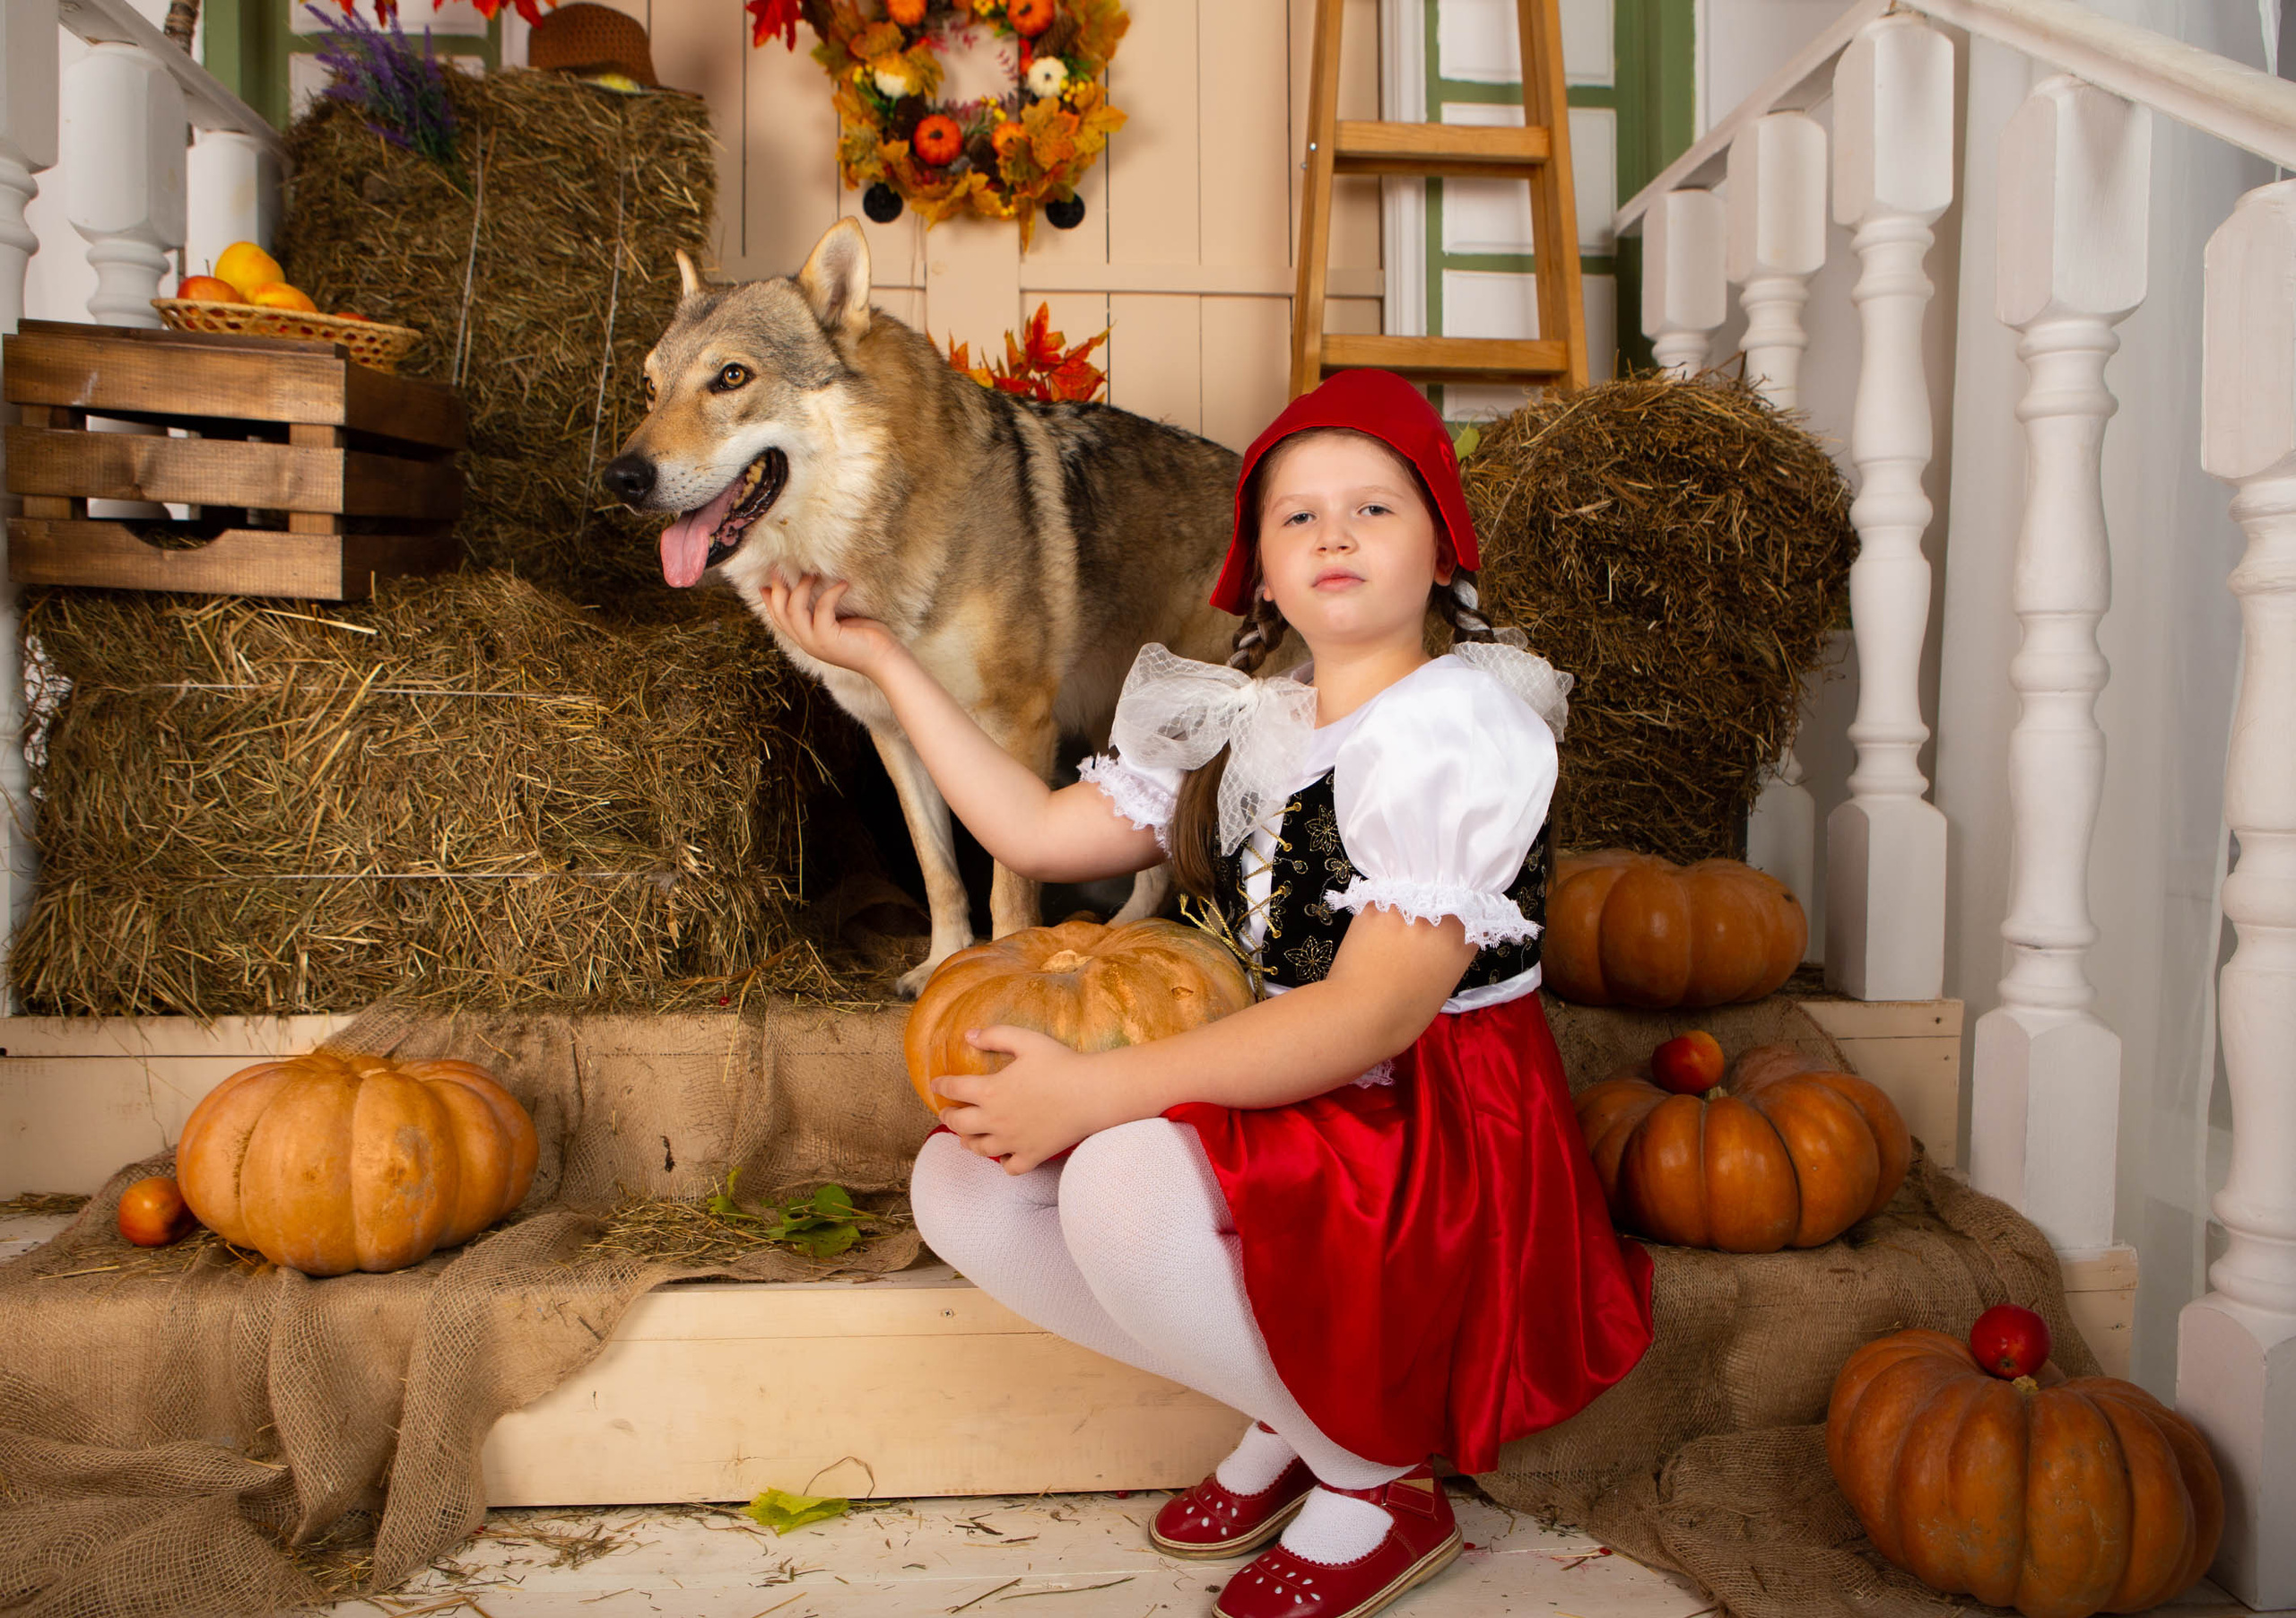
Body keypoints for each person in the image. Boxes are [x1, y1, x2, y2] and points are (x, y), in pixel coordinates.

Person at [761, 369, 1654, 1618]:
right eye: (1298, 516)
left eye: (1374, 510)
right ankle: (1286, 1409)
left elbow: (1371, 1018)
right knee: (959, 1181)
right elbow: (1032, 822)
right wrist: (884, 660)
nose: (1333, 535)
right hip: (1296, 1084)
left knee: (1121, 1176)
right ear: (1259, 570)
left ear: (1443, 551)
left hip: (1433, 1122)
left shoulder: (1457, 730)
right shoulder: (1252, 718)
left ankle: (1373, 1473)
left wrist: (1095, 1092)